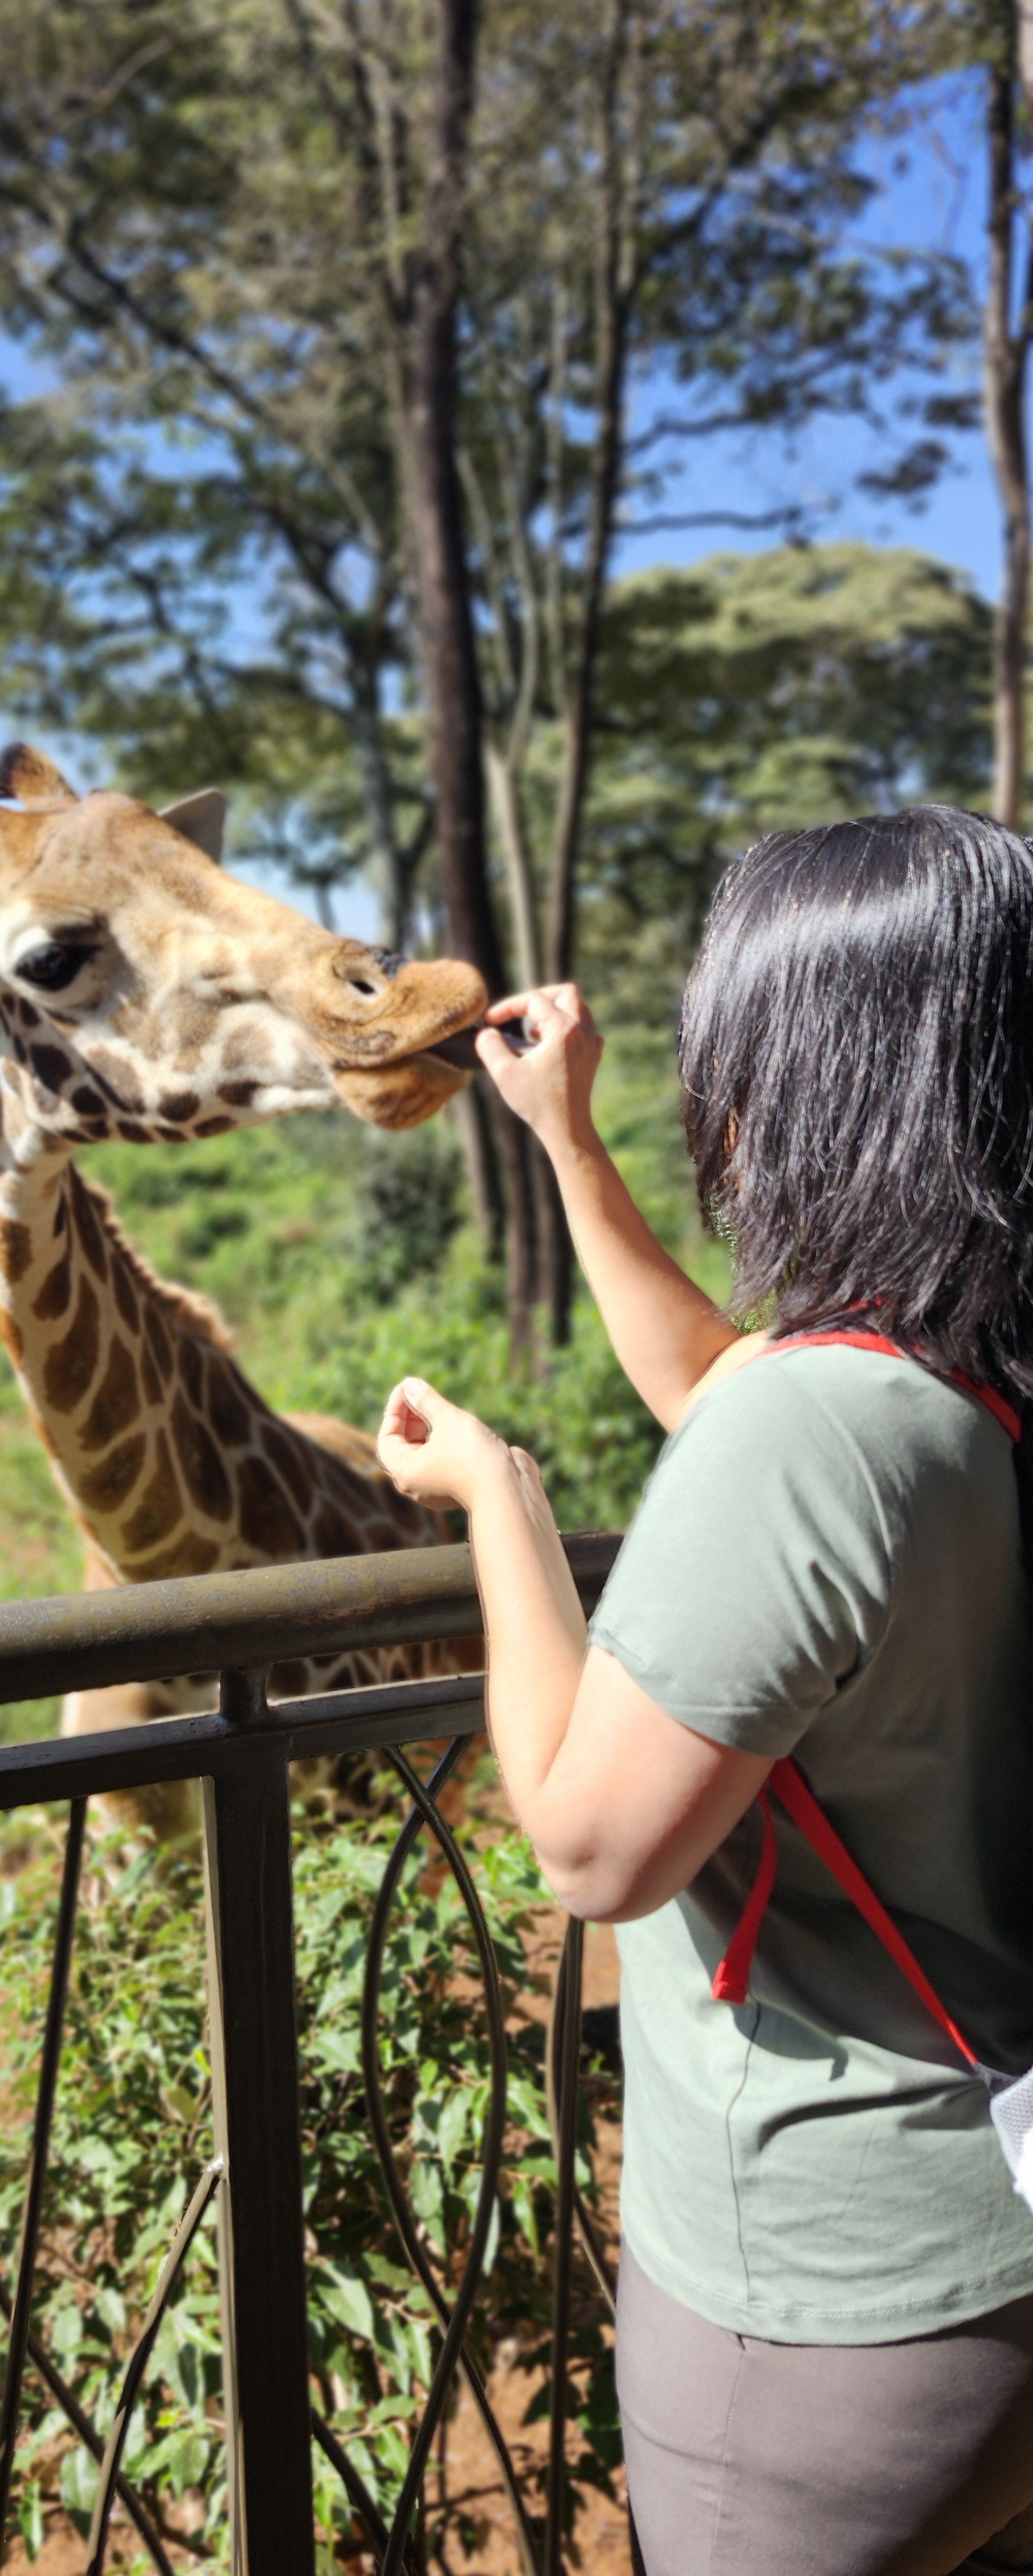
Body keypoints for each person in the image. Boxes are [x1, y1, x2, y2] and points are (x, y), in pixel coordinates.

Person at [376, 807, 1033, 2576]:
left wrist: (503, 1509)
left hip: (834, 2305)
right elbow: (734, 1392)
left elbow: (593, 1850)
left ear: (803, 1076)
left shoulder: (818, 1426)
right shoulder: (951, 1369)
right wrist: (562, 1141)